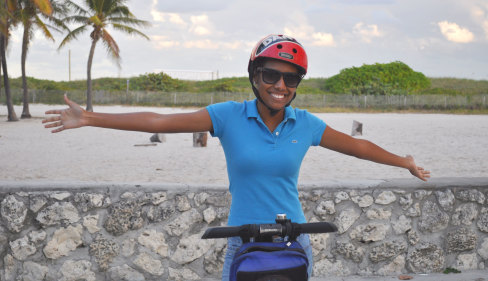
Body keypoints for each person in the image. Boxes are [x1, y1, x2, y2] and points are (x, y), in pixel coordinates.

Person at [43, 34, 430, 280]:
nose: (280, 86)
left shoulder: (305, 124)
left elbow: (358, 147)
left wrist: (405, 161)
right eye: (271, 75)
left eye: (290, 79)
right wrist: (90, 118)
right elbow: (161, 118)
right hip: (242, 241)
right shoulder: (228, 115)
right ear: (255, 76)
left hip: (295, 240)